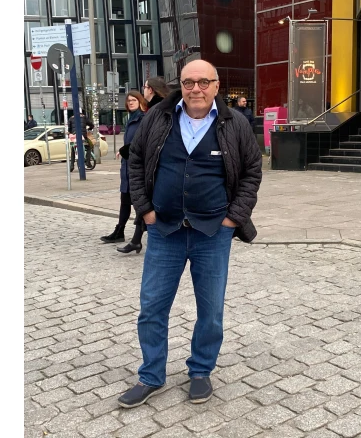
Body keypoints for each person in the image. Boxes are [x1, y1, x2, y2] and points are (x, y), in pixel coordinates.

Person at [118, 59, 262, 408]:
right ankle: (151, 375)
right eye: (188, 82)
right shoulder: (158, 117)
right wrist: (145, 211)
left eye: (203, 82)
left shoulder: (235, 124)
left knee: (210, 310)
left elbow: (252, 172)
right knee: (152, 307)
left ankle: (200, 370)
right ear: (180, 85)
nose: (195, 88)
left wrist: (233, 219)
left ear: (216, 86)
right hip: (164, 230)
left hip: (213, 233)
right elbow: (135, 162)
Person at [100, 91, 148, 252]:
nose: (130, 102)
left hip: (136, 167)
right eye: (128, 100)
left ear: (140, 101)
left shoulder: (142, 119)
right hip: (127, 165)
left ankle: (137, 238)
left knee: (139, 204)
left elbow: (140, 142)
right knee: (125, 201)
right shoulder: (130, 119)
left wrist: (125, 150)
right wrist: (123, 151)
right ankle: (119, 231)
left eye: (134, 100)